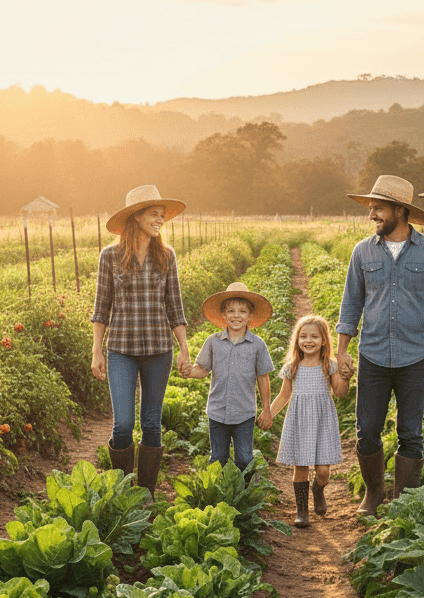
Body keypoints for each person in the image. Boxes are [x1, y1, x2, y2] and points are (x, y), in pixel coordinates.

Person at [336, 175, 424, 516]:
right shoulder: (362, 252)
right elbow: (351, 304)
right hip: (372, 354)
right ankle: (374, 493)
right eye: (371, 207)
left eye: (378, 208)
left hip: (414, 356)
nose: (371, 214)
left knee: (410, 433)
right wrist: (341, 349)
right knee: (368, 431)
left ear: (400, 210)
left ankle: (403, 502)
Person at [90, 184, 191, 496]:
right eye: (153, 213)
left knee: (150, 423)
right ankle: (122, 490)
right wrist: (96, 351)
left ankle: (144, 493)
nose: (159, 219)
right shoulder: (110, 257)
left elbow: (175, 306)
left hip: (159, 350)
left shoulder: (167, 256)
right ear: (135, 217)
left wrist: (185, 348)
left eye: (162, 215)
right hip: (121, 349)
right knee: (122, 424)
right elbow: (101, 306)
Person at [186, 281, 275, 480]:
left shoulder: (257, 345)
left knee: (244, 458)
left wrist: (267, 408)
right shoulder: (213, 342)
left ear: (250, 317)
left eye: (242, 311)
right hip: (217, 412)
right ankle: (220, 495)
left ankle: (246, 496)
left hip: (244, 413)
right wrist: (187, 371)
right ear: (223, 315)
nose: (236, 316)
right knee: (218, 458)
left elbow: (263, 377)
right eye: (231, 311)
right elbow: (201, 370)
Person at [270, 314, 349, 528]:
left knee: (323, 471)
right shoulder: (292, 367)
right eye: (303, 336)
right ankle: (302, 511)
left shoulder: (329, 365)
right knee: (301, 468)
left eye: (314, 336)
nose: (308, 340)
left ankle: (318, 489)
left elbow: (340, 393)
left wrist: (346, 378)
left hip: (323, 422)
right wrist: (268, 414)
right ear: (297, 340)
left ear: (324, 340)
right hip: (300, 422)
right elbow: (284, 396)